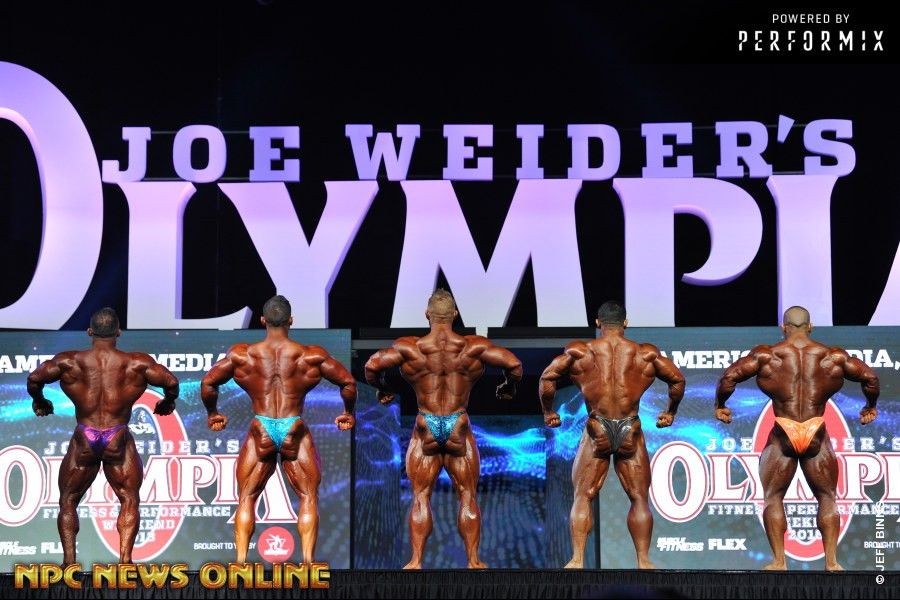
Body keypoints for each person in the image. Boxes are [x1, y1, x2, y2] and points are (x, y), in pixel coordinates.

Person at [364, 289, 522, 569]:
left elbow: (372, 366)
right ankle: (473, 561)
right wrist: (507, 387)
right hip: (457, 423)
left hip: (426, 423)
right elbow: (514, 364)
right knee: (467, 494)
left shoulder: (410, 347)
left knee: (421, 496)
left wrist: (383, 388)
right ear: (455, 315)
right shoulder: (473, 347)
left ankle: (416, 561)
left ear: (427, 315)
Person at [715, 305, 879, 571]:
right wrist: (870, 407)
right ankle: (832, 562)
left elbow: (729, 378)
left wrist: (721, 405)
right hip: (815, 431)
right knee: (827, 497)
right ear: (810, 327)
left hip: (784, 431)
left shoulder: (767, 355)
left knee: (773, 497)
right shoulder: (833, 357)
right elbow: (870, 378)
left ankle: (779, 561)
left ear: (784, 327)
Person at [201, 295, 356, 564]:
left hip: (261, 426)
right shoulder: (311, 355)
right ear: (291, 321)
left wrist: (213, 413)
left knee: (246, 497)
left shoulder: (242, 355)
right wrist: (347, 412)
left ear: (263, 320)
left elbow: (208, 383)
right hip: (293, 426)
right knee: (308, 496)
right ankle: (308, 563)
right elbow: (348, 382)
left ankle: (241, 563)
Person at [27, 307, 178, 566]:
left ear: (89, 332)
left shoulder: (69, 362)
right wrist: (167, 402)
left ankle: (69, 564)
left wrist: (40, 401)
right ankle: (125, 563)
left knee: (68, 500)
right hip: (117, 436)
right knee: (129, 498)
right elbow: (171, 382)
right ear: (118, 332)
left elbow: (34, 378)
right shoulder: (136, 363)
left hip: (85, 436)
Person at [540, 301, 685, 569]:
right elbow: (677, 379)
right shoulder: (645, 354)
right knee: (639, 497)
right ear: (625, 323)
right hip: (630, 427)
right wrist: (670, 412)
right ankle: (643, 561)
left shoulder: (581, 352)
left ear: (597, 323)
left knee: (583, 495)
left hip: (598, 427)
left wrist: (548, 411)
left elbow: (548, 377)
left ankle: (577, 560)